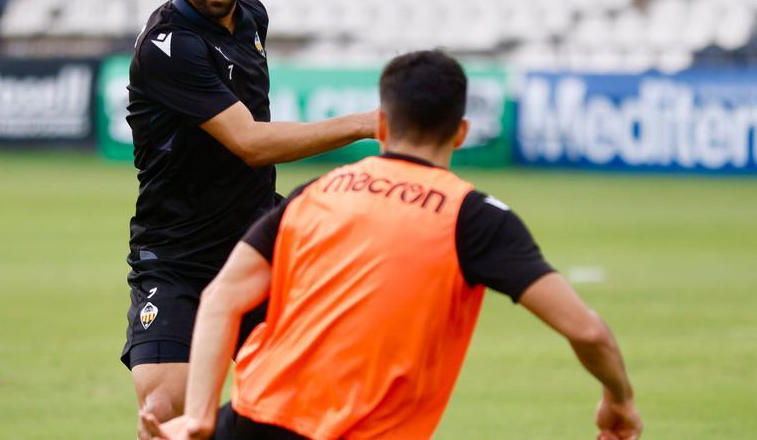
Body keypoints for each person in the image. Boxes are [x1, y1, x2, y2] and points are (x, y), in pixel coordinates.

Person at [140, 50, 643, 440]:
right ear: (461, 133)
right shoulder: (472, 216)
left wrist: (202, 418)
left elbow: (222, 297)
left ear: (381, 125)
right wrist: (617, 401)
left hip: (251, 422)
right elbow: (589, 332)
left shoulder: (313, 194)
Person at [123, 0, 376, 434]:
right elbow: (251, 143)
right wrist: (363, 123)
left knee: (328, 401)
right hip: (179, 257)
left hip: (259, 250)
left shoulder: (252, 19)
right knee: (165, 412)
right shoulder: (167, 46)